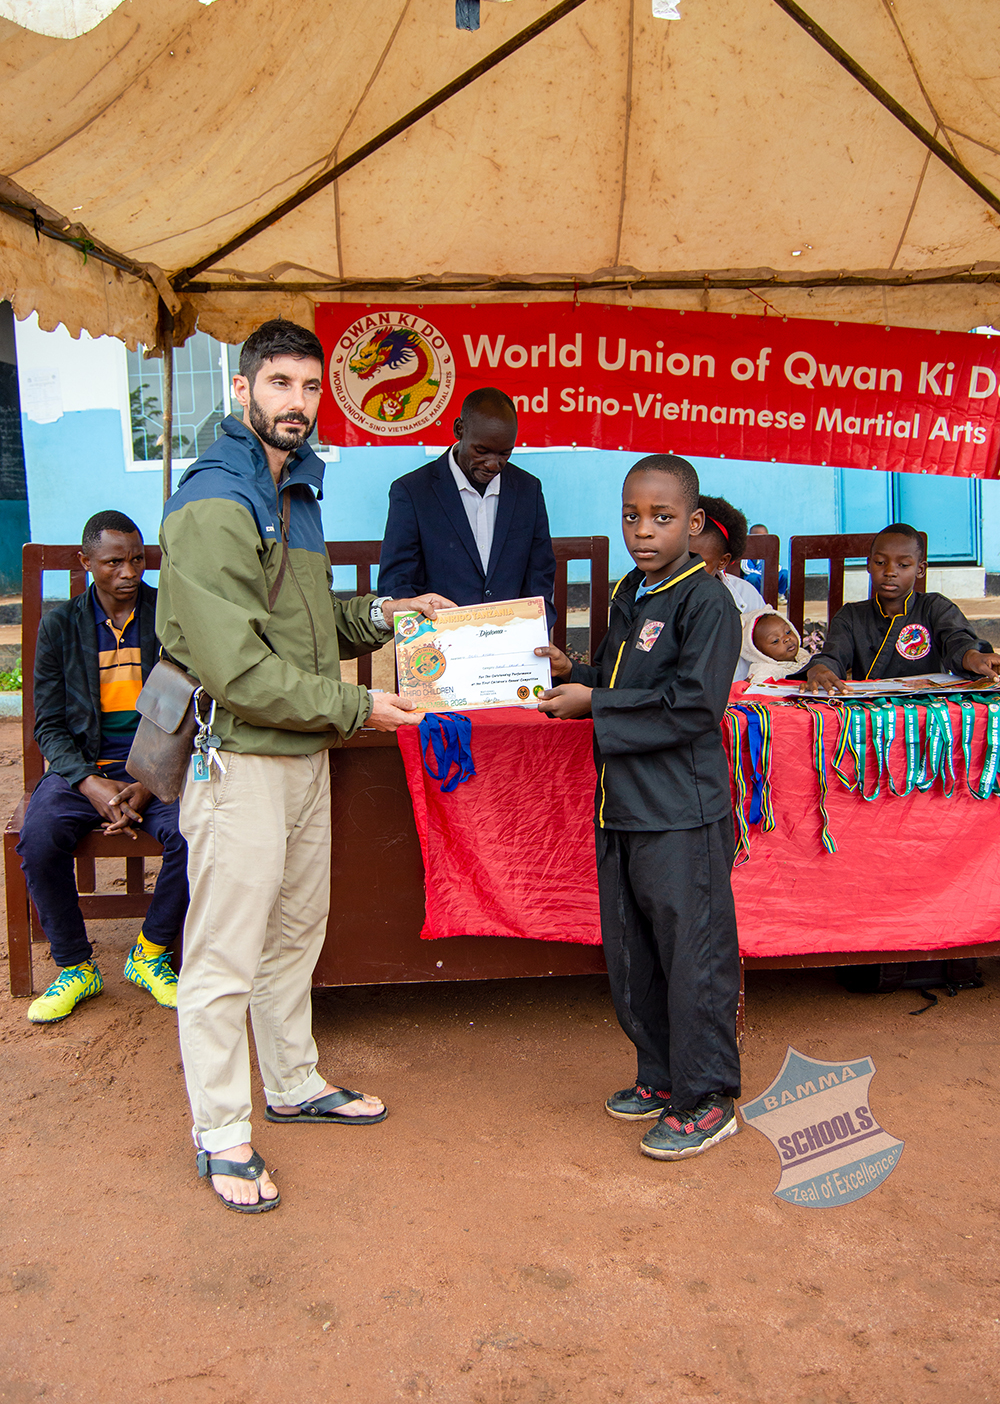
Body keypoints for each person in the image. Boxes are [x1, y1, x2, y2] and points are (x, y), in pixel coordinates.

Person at [157, 318, 452, 1215]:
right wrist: (362, 707)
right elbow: (239, 668)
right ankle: (221, 1132)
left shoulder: (295, 486)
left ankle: (291, 1083)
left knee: (294, 933)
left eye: (310, 386)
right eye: (279, 383)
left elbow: (305, 620)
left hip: (300, 752)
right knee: (224, 956)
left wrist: (388, 615)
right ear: (242, 390)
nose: (297, 402)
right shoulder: (216, 495)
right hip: (241, 756)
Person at [536, 453, 742, 1162]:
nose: (643, 531)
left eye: (661, 517)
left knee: (694, 957)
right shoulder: (632, 589)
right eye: (631, 516)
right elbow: (625, 681)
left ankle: (707, 1097)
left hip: (680, 810)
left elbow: (693, 706)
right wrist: (577, 673)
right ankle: (660, 1075)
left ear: (694, 523)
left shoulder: (706, 601)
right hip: (622, 804)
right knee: (636, 955)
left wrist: (595, 703)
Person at [17, 511, 188, 1023]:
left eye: (137, 559)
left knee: (197, 833)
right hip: (82, 769)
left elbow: (189, 708)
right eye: (114, 562)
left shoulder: (167, 618)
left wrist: (146, 781)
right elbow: (49, 725)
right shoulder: (61, 626)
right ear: (86, 562)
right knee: (39, 838)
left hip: (155, 766)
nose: (128, 572)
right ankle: (76, 966)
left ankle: (150, 953)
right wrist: (90, 783)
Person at [377, 387, 557, 625]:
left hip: (511, 639)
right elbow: (398, 584)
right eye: (481, 451)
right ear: (459, 429)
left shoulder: (528, 489)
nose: (493, 464)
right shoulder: (412, 492)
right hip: (438, 641)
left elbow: (540, 574)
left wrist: (534, 629)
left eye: (505, 453)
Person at [802, 522, 1000, 692]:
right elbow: (833, 657)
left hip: (928, 710)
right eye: (880, 562)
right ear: (869, 565)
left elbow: (957, 642)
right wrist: (820, 668)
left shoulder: (936, 608)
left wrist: (972, 656)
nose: (890, 572)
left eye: (903, 565)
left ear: (920, 569)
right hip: (870, 711)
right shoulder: (851, 616)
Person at [689, 496, 766, 679]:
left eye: (699, 564)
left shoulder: (745, 595)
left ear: (722, 561)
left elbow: (768, 653)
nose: (687, 570)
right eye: (681, 560)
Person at [742, 609, 810, 684]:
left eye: (788, 632)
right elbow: (759, 688)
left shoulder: (801, 654)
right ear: (758, 652)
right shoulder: (764, 671)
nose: (787, 638)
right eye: (775, 641)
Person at [742, 523, 789, 602]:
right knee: (753, 577)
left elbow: (776, 566)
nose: (761, 540)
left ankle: (779, 596)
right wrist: (762, 575)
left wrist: (769, 575)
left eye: (764, 537)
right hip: (757, 578)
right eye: (757, 538)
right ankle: (757, 598)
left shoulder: (769, 550)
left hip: (768, 576)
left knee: (785, 573)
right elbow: (746, 569)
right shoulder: (747, 550)